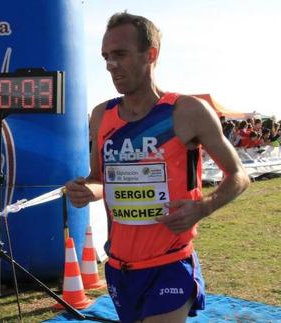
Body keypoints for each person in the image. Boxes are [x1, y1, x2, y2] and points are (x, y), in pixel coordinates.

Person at [64, 12, 250, 322]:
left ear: (151, 54)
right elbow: (99, 180)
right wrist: (86, 191)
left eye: (120, 54)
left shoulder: (187, 111)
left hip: (169, 264)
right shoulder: (102, 116)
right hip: (119, 267)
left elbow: (239, 176)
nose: (111, 65)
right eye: (106, 57)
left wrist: (203, 207)